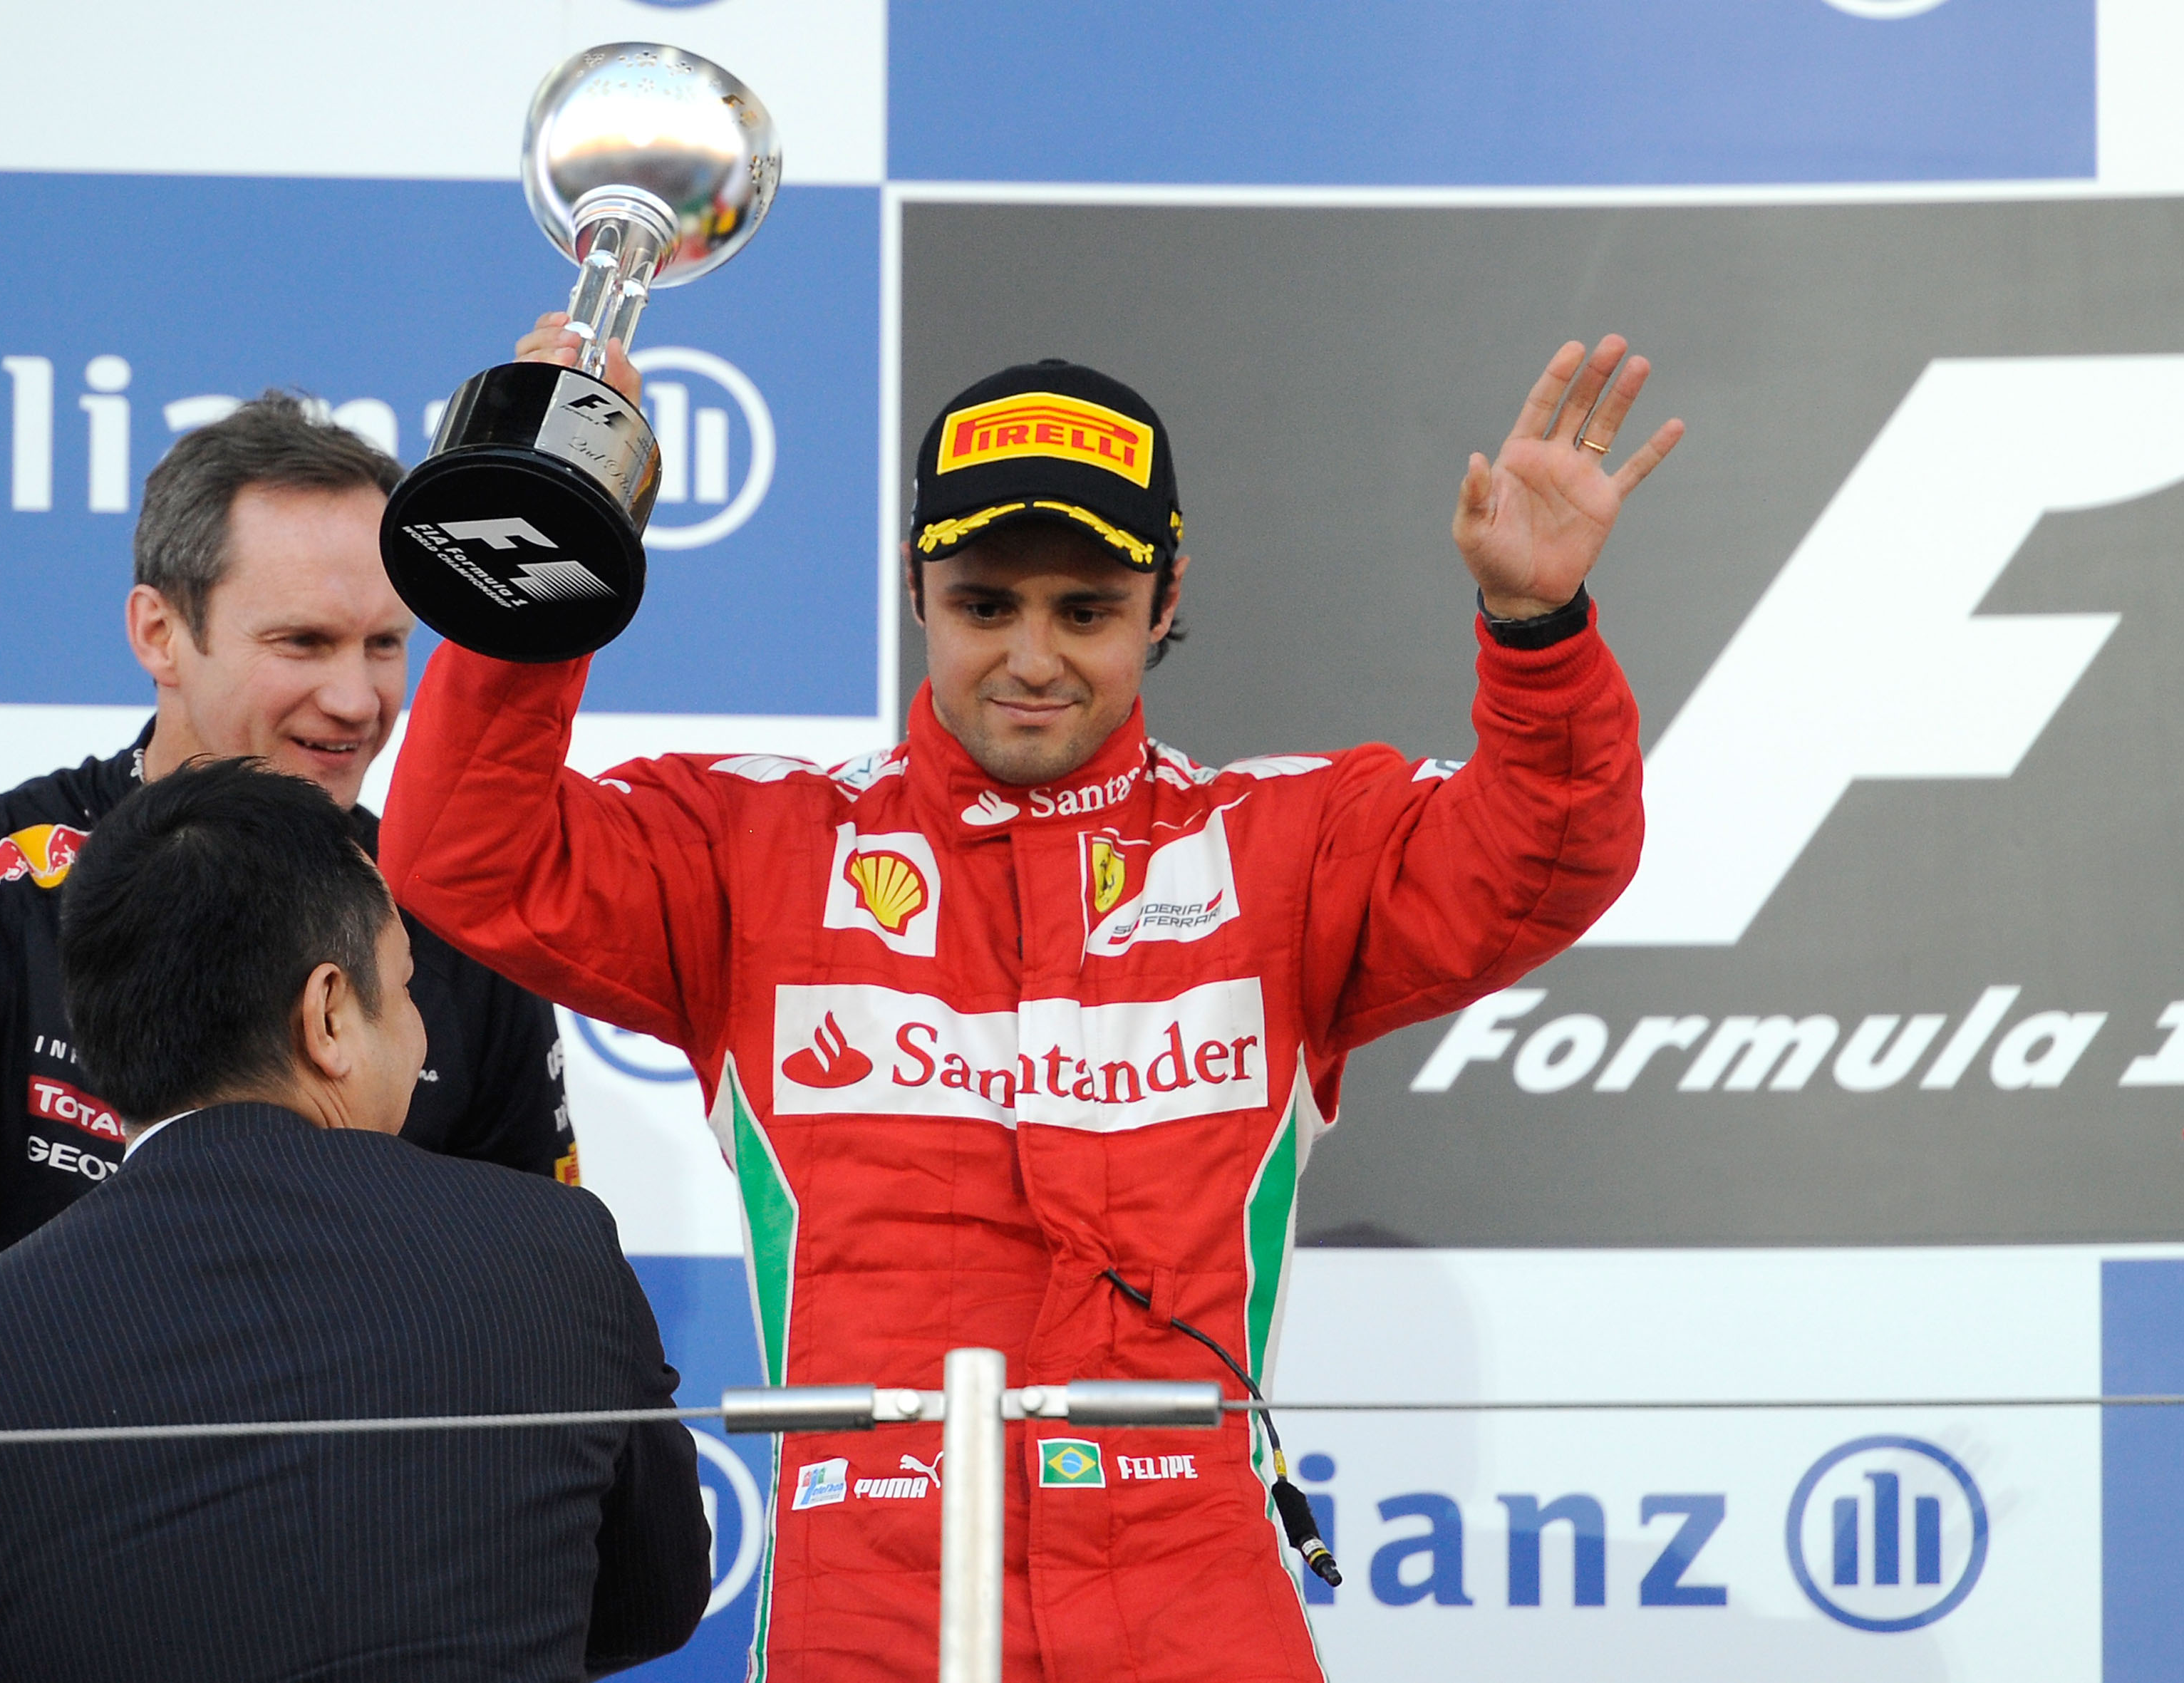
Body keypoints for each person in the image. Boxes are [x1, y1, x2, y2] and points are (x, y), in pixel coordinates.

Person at [380, 322, 1672, 1681]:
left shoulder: (1287, 851)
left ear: (1165, 601)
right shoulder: (758, 852)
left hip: (1194, 1607)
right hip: (865, 1614)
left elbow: (1549, 852)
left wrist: (1537, 634)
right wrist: (542, 540)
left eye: (1087, 611)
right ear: (915, 589)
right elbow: (468, 850)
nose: (1034, 658)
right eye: (986, 606)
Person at [0, 758, 709, 1683]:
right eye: (407, 987)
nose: (422, 1030)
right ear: (329, 1015)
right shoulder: (556, 1255)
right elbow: (655, 1597)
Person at [0, 393, 576, 1350]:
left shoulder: (454, 911)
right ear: (159, 633)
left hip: (366, 1447)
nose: (358, 699)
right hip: (53, 1446)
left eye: (385, 644)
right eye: (302, 642)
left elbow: (541, 1305)